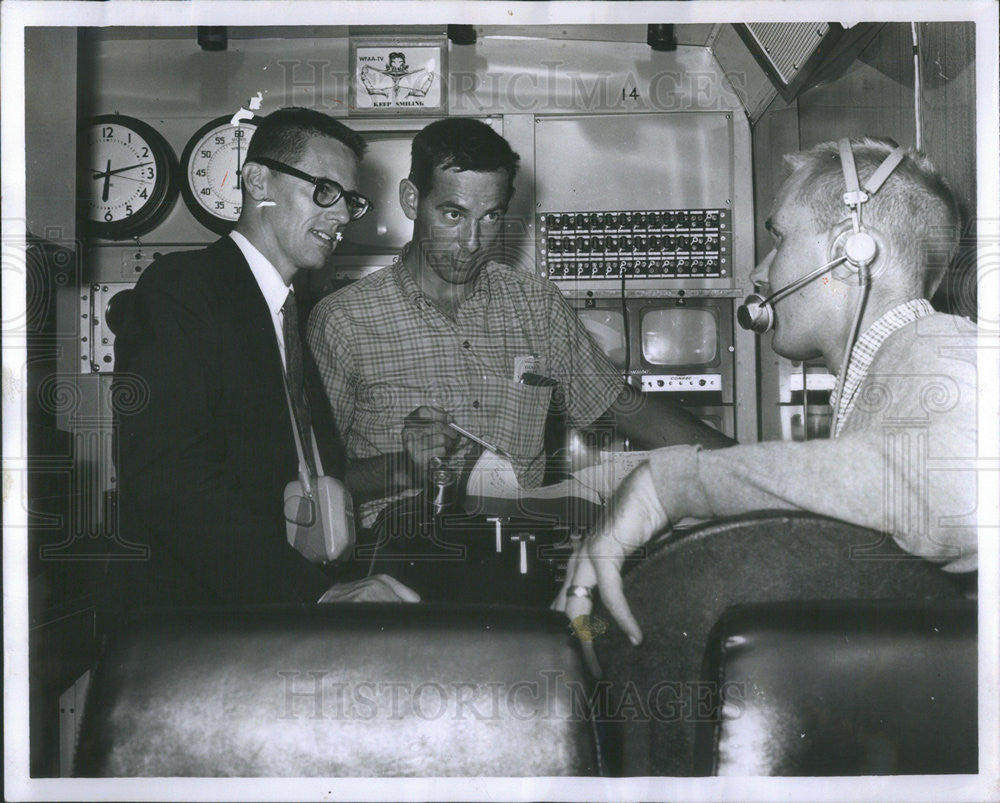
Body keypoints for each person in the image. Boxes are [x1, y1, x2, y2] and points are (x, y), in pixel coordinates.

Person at [556, 137, 977, 643]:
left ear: (850, 251)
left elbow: (958, 493)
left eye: (779, 240)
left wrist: (672, 484)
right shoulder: (887, 373)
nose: (761, 271)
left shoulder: (942, 351)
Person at [306, 117, 732, 509]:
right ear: (412, 199)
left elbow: (625, 408)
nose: (472, 242)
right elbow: (315, 479)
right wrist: (404, 467)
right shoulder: (342, 320)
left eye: (491, 217)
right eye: (453, 214)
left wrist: (747, 464)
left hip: (519, 550)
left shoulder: (537, 305)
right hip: (400, 555)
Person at [109, 107, 419, 613]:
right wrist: (313, 594)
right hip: (197, 623)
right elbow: (172, 479)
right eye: (324, 191)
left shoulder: (287, 311)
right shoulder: (183, 289)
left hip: (273, 607)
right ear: (258, 180)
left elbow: (302, 471)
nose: (341, 215)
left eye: (350, 201)